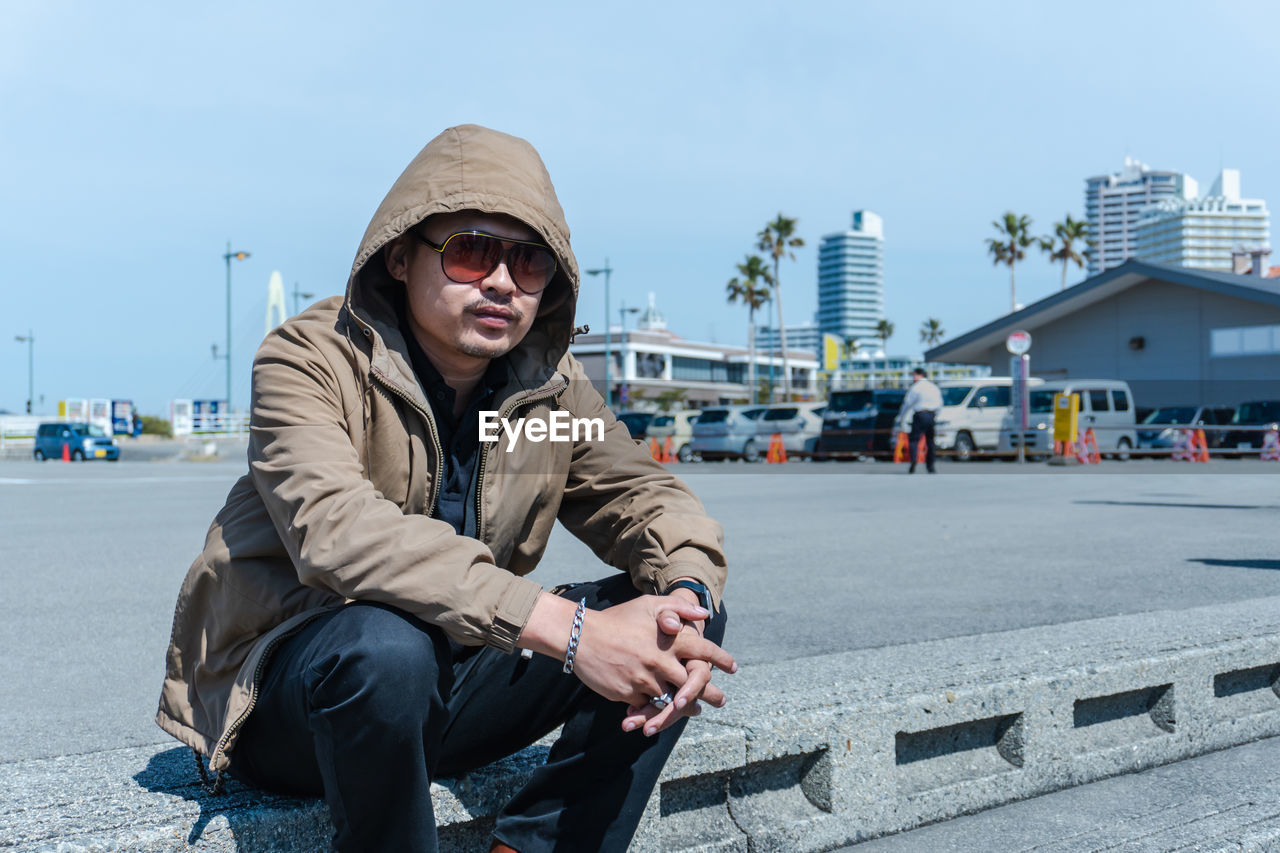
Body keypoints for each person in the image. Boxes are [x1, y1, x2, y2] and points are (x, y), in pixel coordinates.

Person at [155, 124, 735, 853]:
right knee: (388, 647)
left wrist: (686, 590)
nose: (500, 281)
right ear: (401, 255)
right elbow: (336, 531)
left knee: (677, 625)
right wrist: (572, 630)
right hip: (295, 698)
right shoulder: (312, 361)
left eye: (528, 262)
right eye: (470, 250)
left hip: (453, 675)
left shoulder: (543, 394)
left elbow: (644, 498)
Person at [895, 367, 942, 474]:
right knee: (930, 441)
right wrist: (935, 415)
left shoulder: (916, 387)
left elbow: (907, 403)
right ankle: (931, 466)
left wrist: (901, 417)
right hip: (931, 415)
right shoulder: (934, 387)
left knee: (914, 440)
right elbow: (939, 404)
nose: (913, 378)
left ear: (919, 375)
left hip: (920, 415)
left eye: (914, 376)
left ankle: (913, 461)